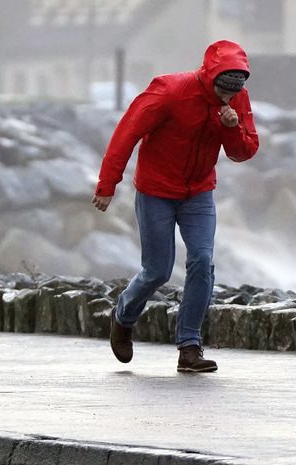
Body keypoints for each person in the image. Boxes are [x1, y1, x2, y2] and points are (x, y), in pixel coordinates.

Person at [92, 40, 259, 373]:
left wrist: (232, 128)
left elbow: (244, 151)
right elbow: (127, 132)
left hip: (198, 193)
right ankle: (123, 317)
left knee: (202, 260)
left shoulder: (236, 99)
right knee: (158, 270)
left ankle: (189, 347)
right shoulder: (170, 91)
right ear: (211, 77)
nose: (228, 97)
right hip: (156, 191)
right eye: (223, 91)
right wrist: (108, 184)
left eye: (234, 92)